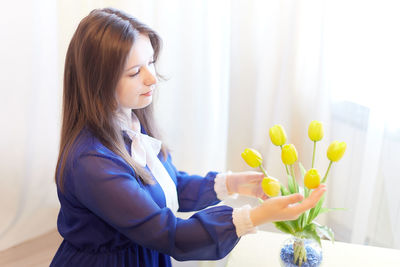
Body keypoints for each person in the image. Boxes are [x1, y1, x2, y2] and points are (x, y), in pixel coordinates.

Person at [50, 8, 326, 267]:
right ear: (98, 82)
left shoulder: (130, 119)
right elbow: (172, 235)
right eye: (135, 72)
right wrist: (256, 216)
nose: (152, 78)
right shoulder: (92, 162)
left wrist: (232, 183)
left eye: (151, 62)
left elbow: (166, 187)